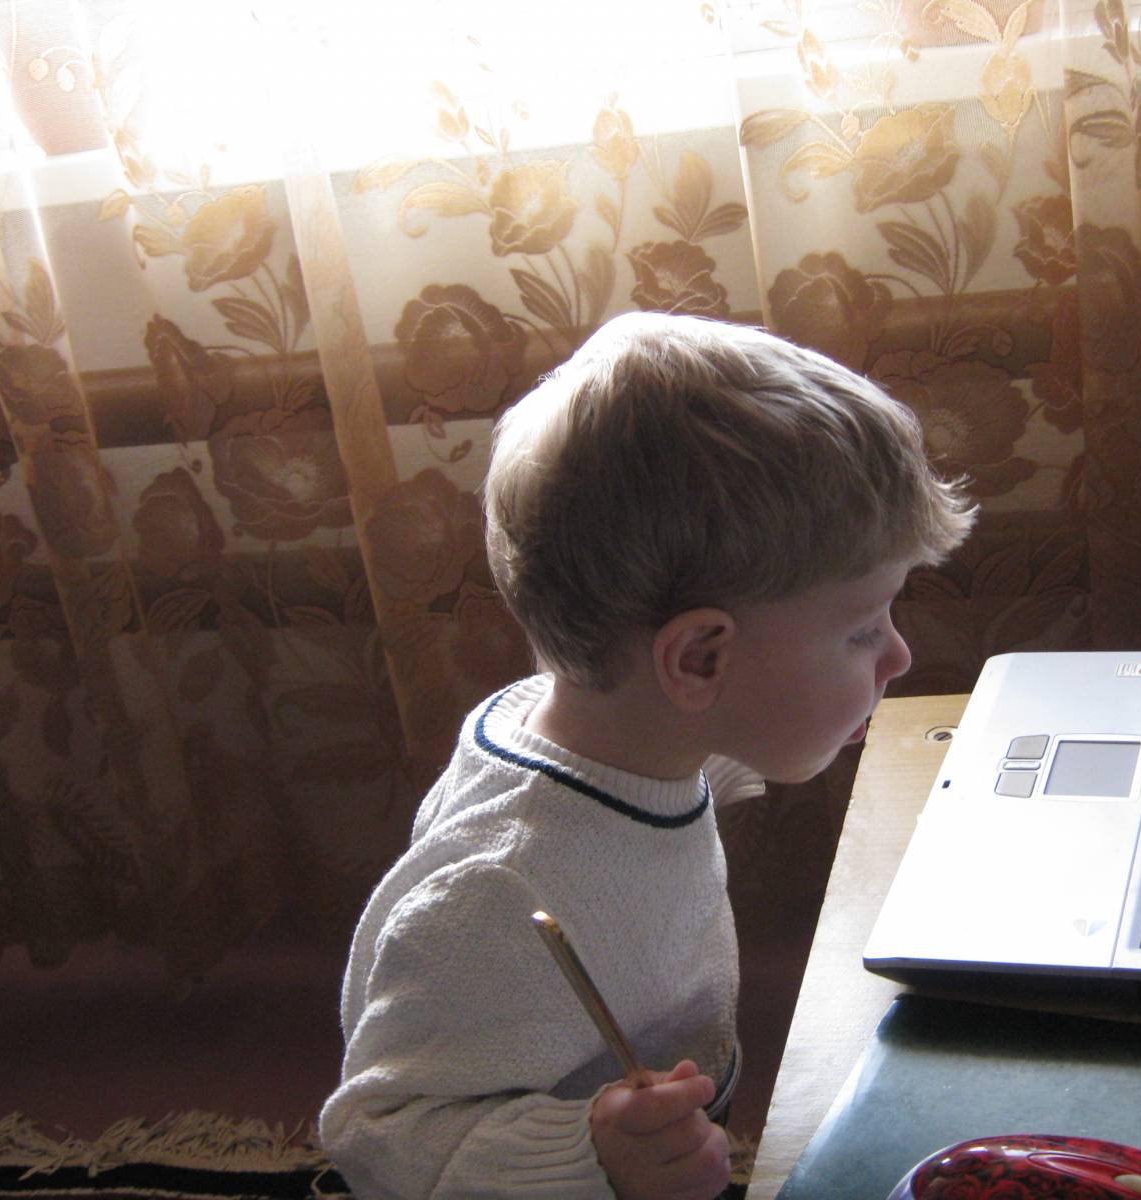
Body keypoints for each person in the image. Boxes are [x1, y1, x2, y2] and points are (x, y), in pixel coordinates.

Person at [319, 312, 977, 1199]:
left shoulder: (615, 734)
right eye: (862, 630)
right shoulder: (498, 894)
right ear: (699, 659)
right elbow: (378, 1132)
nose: (898, 656)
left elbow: (673, 781)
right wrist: (593, 1154)